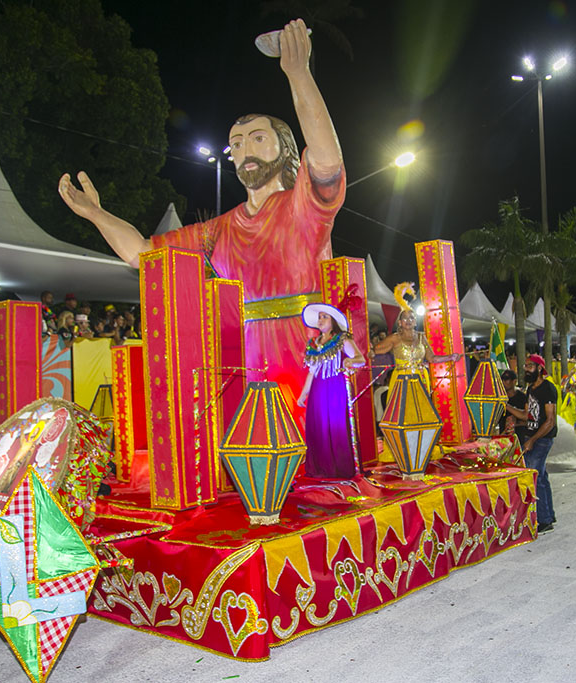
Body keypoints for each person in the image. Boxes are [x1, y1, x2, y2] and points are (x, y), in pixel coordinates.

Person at [59, 19, 343, 417]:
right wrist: (96, 214)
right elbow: (141, 254)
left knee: (310, 454)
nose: (245, 149)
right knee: (252, 454)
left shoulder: (304, 205)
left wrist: (298, 76)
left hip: (305, 351)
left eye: (258, 138)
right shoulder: (217, 230)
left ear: (285, 149)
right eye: (237, 143)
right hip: (242, 360)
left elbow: (327, 160)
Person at [296, 302, 363, 478]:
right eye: (319, 317)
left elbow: (360, 359)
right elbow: (312, 371)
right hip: (318, 389)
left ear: (333, 321)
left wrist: (350, 361)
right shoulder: (314, 344)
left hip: (335, 387)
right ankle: (320, 468)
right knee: (318, 425)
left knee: (335, 426)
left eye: (324, 317)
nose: (320, 320)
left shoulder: (342, 339)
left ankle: (338, 468)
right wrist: (304, 393)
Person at [521, 353, 557, 533]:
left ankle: (543, 519)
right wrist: (506, 407)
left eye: (530, 366)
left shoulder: (548, 389)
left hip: (542, 439)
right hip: (532, 437)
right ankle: (547, 516)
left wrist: (532, 441)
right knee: (541, 477)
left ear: (540, 369)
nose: (526, 369)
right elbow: (527, 416)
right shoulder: (530, 389)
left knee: (534, 477)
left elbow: (550, 421)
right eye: (525, 366)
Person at [498, 369, 529, 440]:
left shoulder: (522, 398)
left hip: (520, 437)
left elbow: (529, 419)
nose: (503, 382)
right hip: (503, 437)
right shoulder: (500, 397)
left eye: (506, 379)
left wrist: (516, 423)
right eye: (501, 379)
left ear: (514, 381)